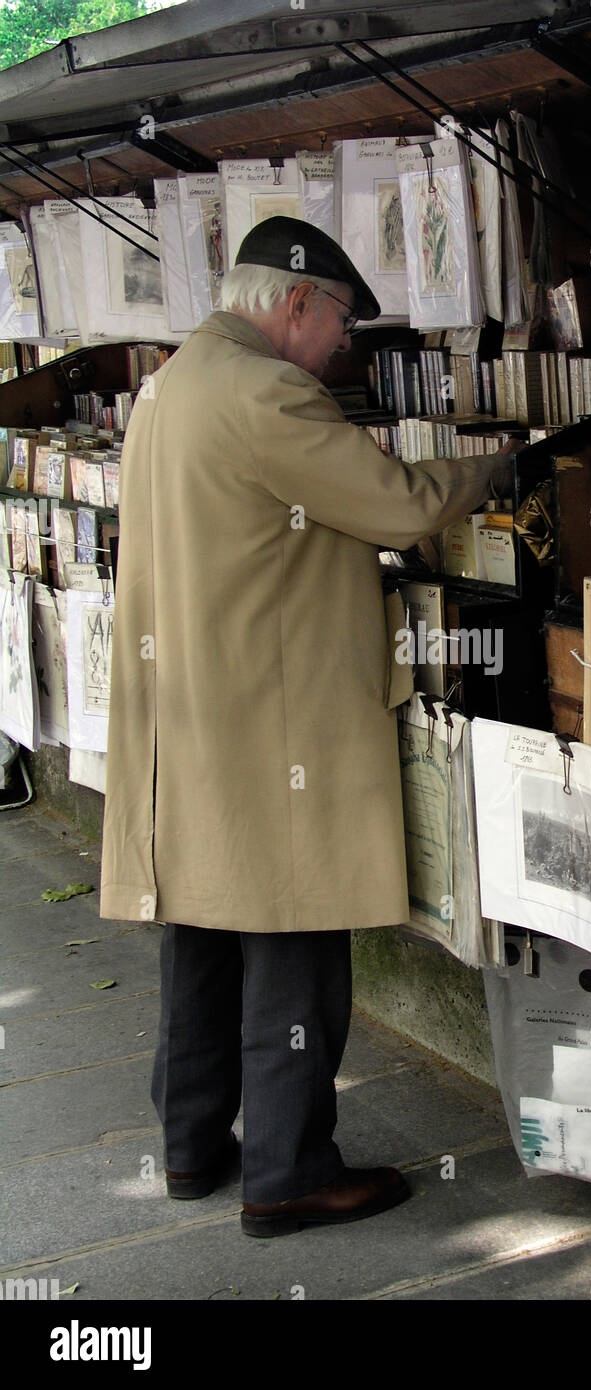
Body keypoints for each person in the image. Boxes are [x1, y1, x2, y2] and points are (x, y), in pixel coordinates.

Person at [100, 217, 517, 1238]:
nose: (344, 351)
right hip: (267, 722)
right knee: (291, 933)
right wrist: (496, 468)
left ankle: (195, 1146)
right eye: (340, 326)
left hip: (190, 714)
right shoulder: (266, 391)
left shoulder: (171, 383)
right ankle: (288, 1173)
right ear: (295, 303)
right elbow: (396, 503)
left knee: (198, 933)